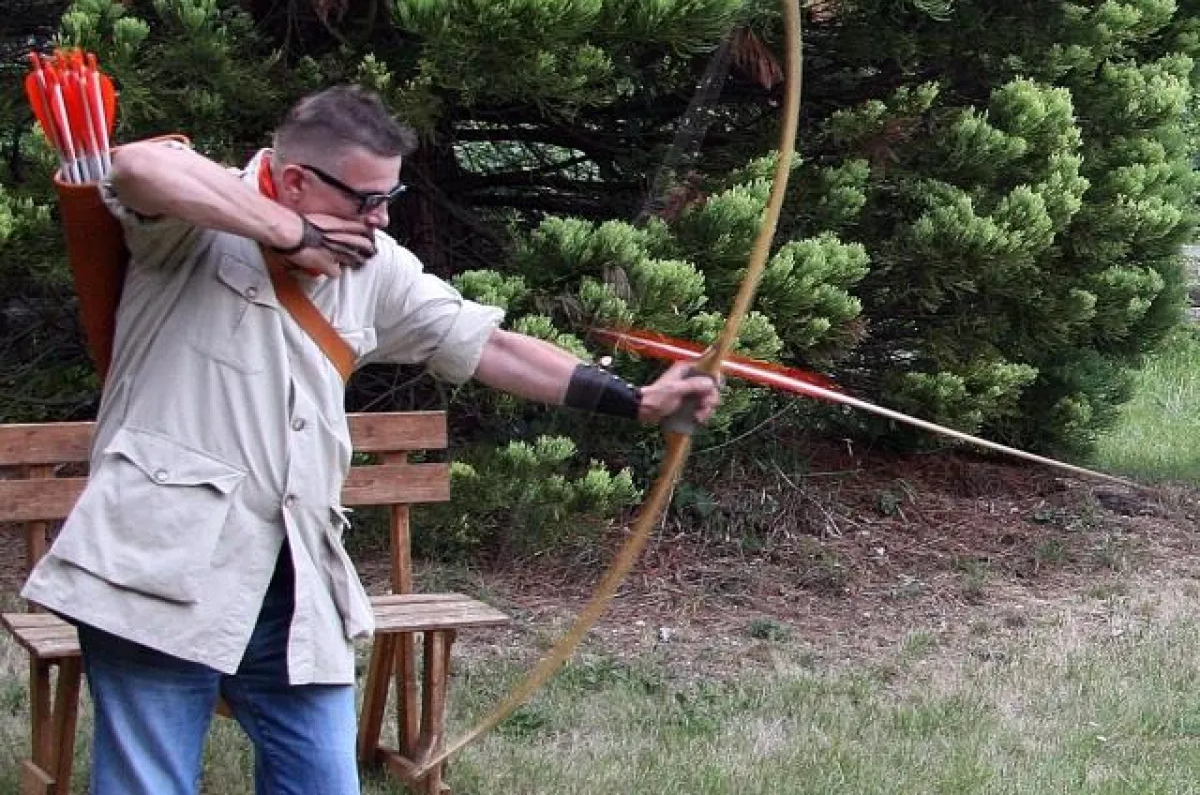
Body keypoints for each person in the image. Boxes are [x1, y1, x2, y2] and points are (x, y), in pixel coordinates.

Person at [20, 85, 718, 795]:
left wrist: (635, 401)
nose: (382, 217)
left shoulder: (372, 264)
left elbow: (488, 345)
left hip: (294, 584)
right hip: (160, 567)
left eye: (391, 195)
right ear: (296, 180)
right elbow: (136, 166)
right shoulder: (190, 225)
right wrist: (288, 234)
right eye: (366, 199)